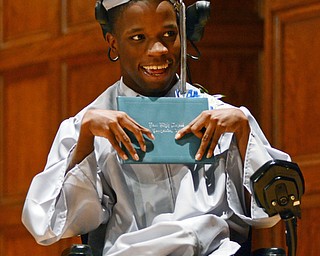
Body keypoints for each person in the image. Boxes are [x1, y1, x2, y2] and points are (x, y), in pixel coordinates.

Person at [21, 0, 291, 255]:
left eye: (169, 34)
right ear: (113, 44)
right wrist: (85, 142)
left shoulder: (224, 117)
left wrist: (244, 136)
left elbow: (273, 214)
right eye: (138, 38)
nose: (159, 50)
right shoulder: (86, 126)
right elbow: (45, 226)